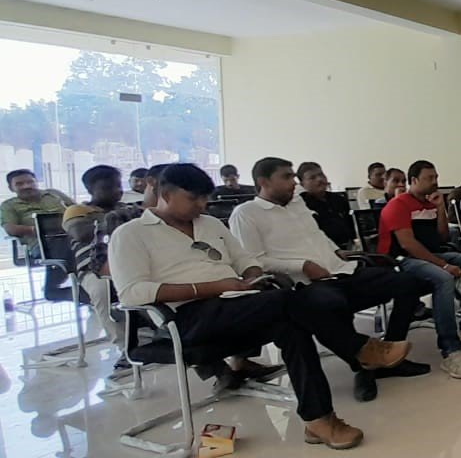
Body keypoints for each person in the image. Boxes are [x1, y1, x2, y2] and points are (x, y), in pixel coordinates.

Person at [110, 163, 412, 450]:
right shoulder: (132, 234)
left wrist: (253, 277)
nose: (201, 205)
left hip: (234, 304)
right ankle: (359, 350)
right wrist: (216, 287)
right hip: (186, 317)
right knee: (290, 299)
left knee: (291, 326)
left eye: (204, 198)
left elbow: (245, 261)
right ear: (166, 194)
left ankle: (319, 420)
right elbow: (132, 293)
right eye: (193, 199)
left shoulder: (209, 224)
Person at [230, 157, 430, 402]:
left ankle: (389, 353)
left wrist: (335, 250)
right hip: (303, 283)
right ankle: (364, 365)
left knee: (406, 283)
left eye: (293, 176)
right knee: (332, 303)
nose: (294, 182)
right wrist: (303, 265)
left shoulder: (297, 204)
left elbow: (316, 235)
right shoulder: (246, 214)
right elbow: (254, 262)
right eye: (286, 177)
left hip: (339, 270)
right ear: (263, 182)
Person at [378, 160, 461, 379]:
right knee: (443, 278)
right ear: (414, 180)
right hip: (401, 260)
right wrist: (443, 265)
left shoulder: (429, 204)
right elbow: (407, 244)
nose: (435, 182)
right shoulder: (398, 205)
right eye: (429, 178)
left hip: (430, 254)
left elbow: (441, 238)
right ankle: (451, 350)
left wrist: (440, 208)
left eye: (436, 177)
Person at [62, 165, 144, 368]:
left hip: (132, 263)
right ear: (90, 190)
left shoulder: (127, 209)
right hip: (94, 269)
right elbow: (80, 233)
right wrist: (115, 221)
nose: (116, 191)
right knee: (102, 290)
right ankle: (126, 348)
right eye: (108, 188)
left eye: (118, 186)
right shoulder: (78, 211)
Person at [2, 169, 74, 258]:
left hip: (72, 233)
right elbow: (10, 229)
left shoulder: (54, 194)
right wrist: (41, 230)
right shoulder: (8, 205)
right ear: (11, 188)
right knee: (67, 245)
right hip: (42, 243)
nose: (26, 186)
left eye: (30, 182)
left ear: (36, 182)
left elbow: (76, 209)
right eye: (19, 184)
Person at [296, 162, 356, 250]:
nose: (319, 179)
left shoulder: (338, 199)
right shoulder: (301, 204)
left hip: (351, 246)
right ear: (302, 184)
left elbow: (351, 224)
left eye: (321, 175)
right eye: (312, 178)